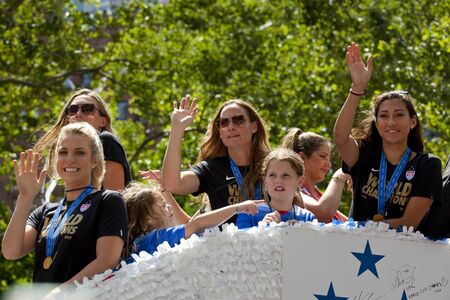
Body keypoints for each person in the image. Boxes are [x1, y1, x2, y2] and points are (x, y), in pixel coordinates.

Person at [2, 123, 128, 292]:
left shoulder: (108, 201)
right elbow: (11, 251)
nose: (70, 159)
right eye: (63, 152)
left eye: (80, 152)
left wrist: (58, 295)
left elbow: (107, 261)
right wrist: (24, 197)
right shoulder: (45, 212)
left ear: (94, 160)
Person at [333, 42, 442, 233]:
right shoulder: (364, 154)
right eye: (384, 116)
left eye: (399, 115)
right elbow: (341, 138)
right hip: (355, 252)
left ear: (413, 122)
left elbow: (408, 223)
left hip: (402, 257)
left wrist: (359, 227)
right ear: (376, 122)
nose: (391, 122)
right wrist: (357, 88)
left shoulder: (427, 165)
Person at [162, 95, 270, 224]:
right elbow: (172, 184)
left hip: (273, 241)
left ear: (254, 127)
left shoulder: (274, 164)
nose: (231, 127)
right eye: (224, 123)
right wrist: (177, 129)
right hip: (227, 244)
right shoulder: (211, 169)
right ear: (220, 133)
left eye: (238, 120)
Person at [123, 182, 262, 256]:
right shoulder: (155, 238)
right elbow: (197, 225)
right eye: (163, 206)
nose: (169, 208)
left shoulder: (141, 243)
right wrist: (237, 208)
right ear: (147, 219)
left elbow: (189, 226)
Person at [34, 88, 132, 191]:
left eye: (87, 109)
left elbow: (115, 198)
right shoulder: (66, 150)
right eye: (73, 109)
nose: (78, 114)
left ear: (103, 121)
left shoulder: (106, 140)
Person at [236, 148, 316, 229]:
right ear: (265, 181)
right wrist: (262, 230)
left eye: (285, 175)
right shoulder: (248, 214)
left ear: (300, 182)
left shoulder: (308, 218)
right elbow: (238, 241)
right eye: (272, 175)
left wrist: (303, 234)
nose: (278, 180)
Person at [281, 128, 350, 222]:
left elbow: (349, 224)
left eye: (329, 159)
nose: (329, 164)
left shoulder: (319, 195)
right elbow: (323, 213)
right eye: (323, 156)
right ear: (301, 157)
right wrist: (340, 176)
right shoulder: (291, 191)